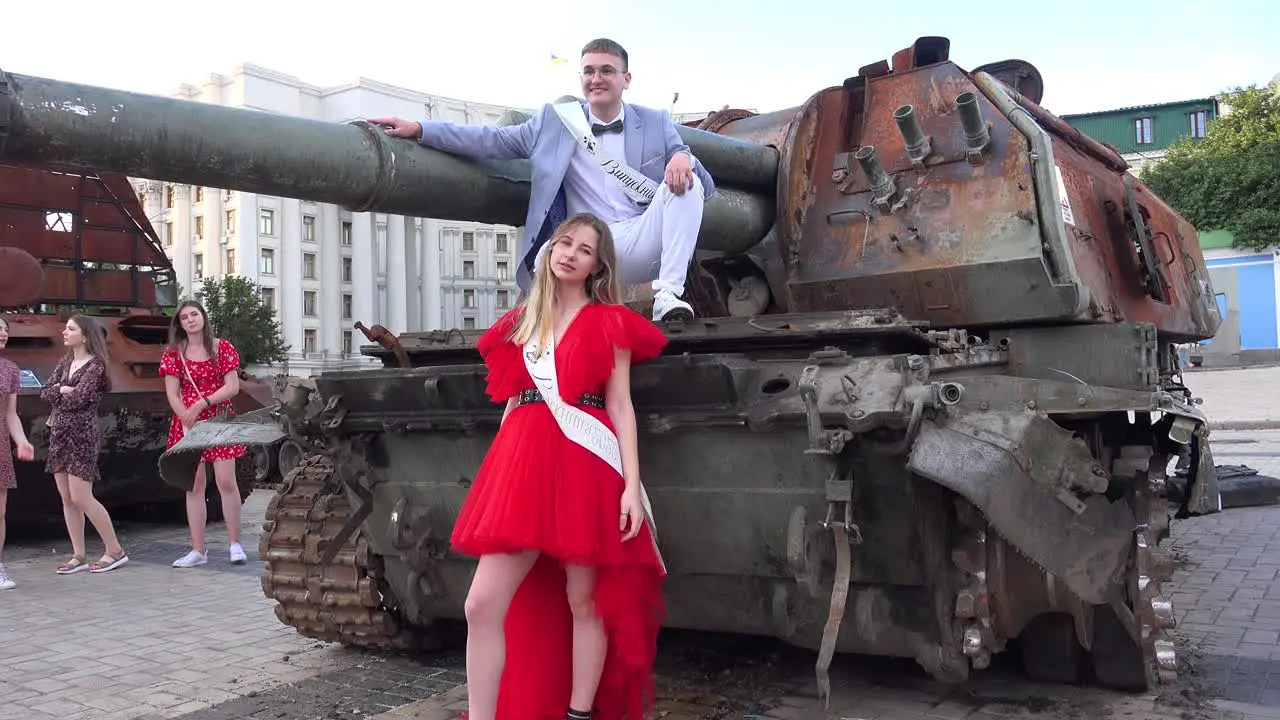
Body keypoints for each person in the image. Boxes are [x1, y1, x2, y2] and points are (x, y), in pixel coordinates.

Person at [450, 213, 668, 720]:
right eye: (564, 243)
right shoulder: (521, 323)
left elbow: (620, 407)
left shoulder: (609, 321)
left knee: (583, 601)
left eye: (585, 250)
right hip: (523, 461)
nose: (570, 253)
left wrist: (631, 486)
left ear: (597, 266)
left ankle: (578, 713)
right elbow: (509, 402)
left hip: (585, 463)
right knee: (480, 604)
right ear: (550, 250)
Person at [369, 37, 715, 323]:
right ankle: (553, 329)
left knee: (690, 186)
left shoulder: (655, 121)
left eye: (607, 71)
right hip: (585, 246)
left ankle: (668, 297)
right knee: (546, 257)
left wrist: (684, 157)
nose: (597, 78)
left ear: (626, 79)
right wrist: (421, 129)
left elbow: (707, 190)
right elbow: (492, 140)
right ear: (581, 78)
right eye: (589, 71)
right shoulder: (554, 120)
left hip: (639, 238)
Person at [159, 300, 248, 568]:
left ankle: (235, 543)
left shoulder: (222, 348)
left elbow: (232, 387)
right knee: (194, 485)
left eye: (194, 314)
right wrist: (184, 413)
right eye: (184, 317)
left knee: (226, 482)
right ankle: (198, 549)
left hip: (217, 419)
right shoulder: (174, 352)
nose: (190, 320)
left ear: (203, 317)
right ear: (180, 324)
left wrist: (202, 403)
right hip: (188, 424)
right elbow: (172, 392)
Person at [40, 315, 129, 574]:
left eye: (70, 328)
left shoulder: (96, 365)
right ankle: (78, 554)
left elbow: (79, 399)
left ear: (86, 335)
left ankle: (115, 550)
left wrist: (62, 391)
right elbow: (45, 391)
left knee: (82, 497)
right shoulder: (66, 361)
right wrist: (61, 390)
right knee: (67, 498)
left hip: (82, 435)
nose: (64, 332)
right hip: (59, 433)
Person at [0, 315, 36, 590]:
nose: (2, 333)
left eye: (4, 329)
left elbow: (11, 414)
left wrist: (22, 440)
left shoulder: (10, 369)